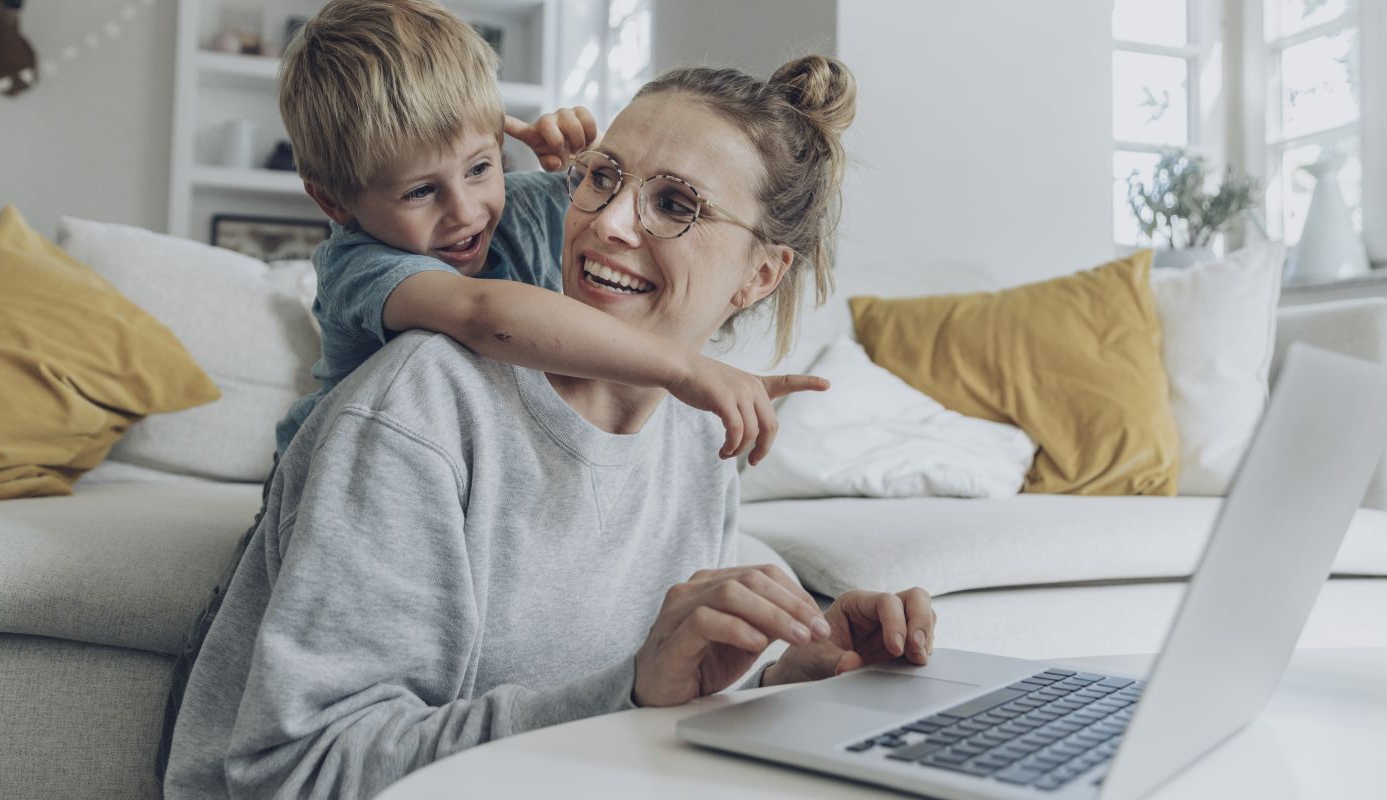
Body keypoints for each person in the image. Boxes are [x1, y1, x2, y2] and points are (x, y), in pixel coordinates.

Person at [164, 55, 936, 800]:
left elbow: (644, 708)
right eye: (602, 177)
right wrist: (629, 691)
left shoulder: (700, 438)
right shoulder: (416, 408)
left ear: (762, 274)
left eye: (675, 204)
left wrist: (783, 680)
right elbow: (291, 774)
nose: (608, 225)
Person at [274, 0, 823, 465]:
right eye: (420, 192)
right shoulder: (360, 263)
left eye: (480, 168)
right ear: (333, 201)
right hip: (342, 481)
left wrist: (581, 165)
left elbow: (620, 201)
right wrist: (683, 368)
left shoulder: (524, 205)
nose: (466, 211)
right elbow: (483, 314)